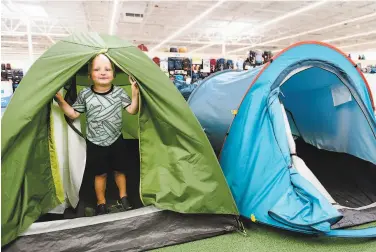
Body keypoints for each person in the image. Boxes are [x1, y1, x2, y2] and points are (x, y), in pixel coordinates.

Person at [54, 54, 140, 215]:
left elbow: (132, 110)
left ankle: (124, 197)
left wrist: (135, 93)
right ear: (89, 75)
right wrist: (60, 100)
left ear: (113, 74)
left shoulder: (119, 92)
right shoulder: (86, 94)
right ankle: (101, 202)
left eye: (107, 69)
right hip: (95, 142)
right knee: (100, 174)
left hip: (116, 139)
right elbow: (73, 114)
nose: (103, 72)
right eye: (97, 69)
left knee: (120, 171)